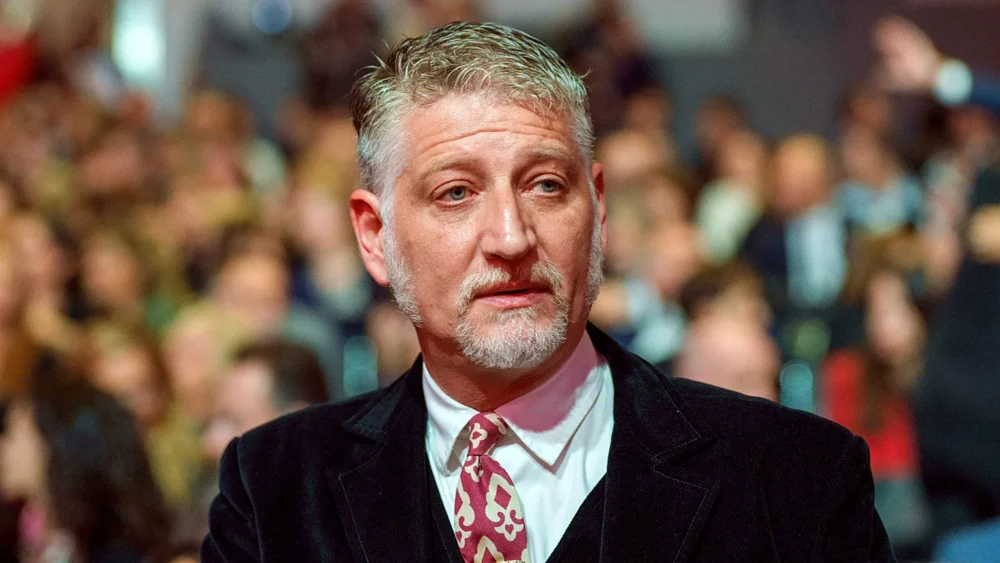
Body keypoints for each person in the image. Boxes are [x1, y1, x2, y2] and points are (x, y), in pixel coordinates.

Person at [203, 22, 893, 562]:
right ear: (375, 237)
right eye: (456, 193)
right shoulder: (275, 489)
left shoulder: (795, 477)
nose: (511, 237)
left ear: (598, 209)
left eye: (545, 185)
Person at [0, 373, 170, 563]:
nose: (3, 447)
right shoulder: (35, 534)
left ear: (54, 446)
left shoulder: (112, 553)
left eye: (12, 432)